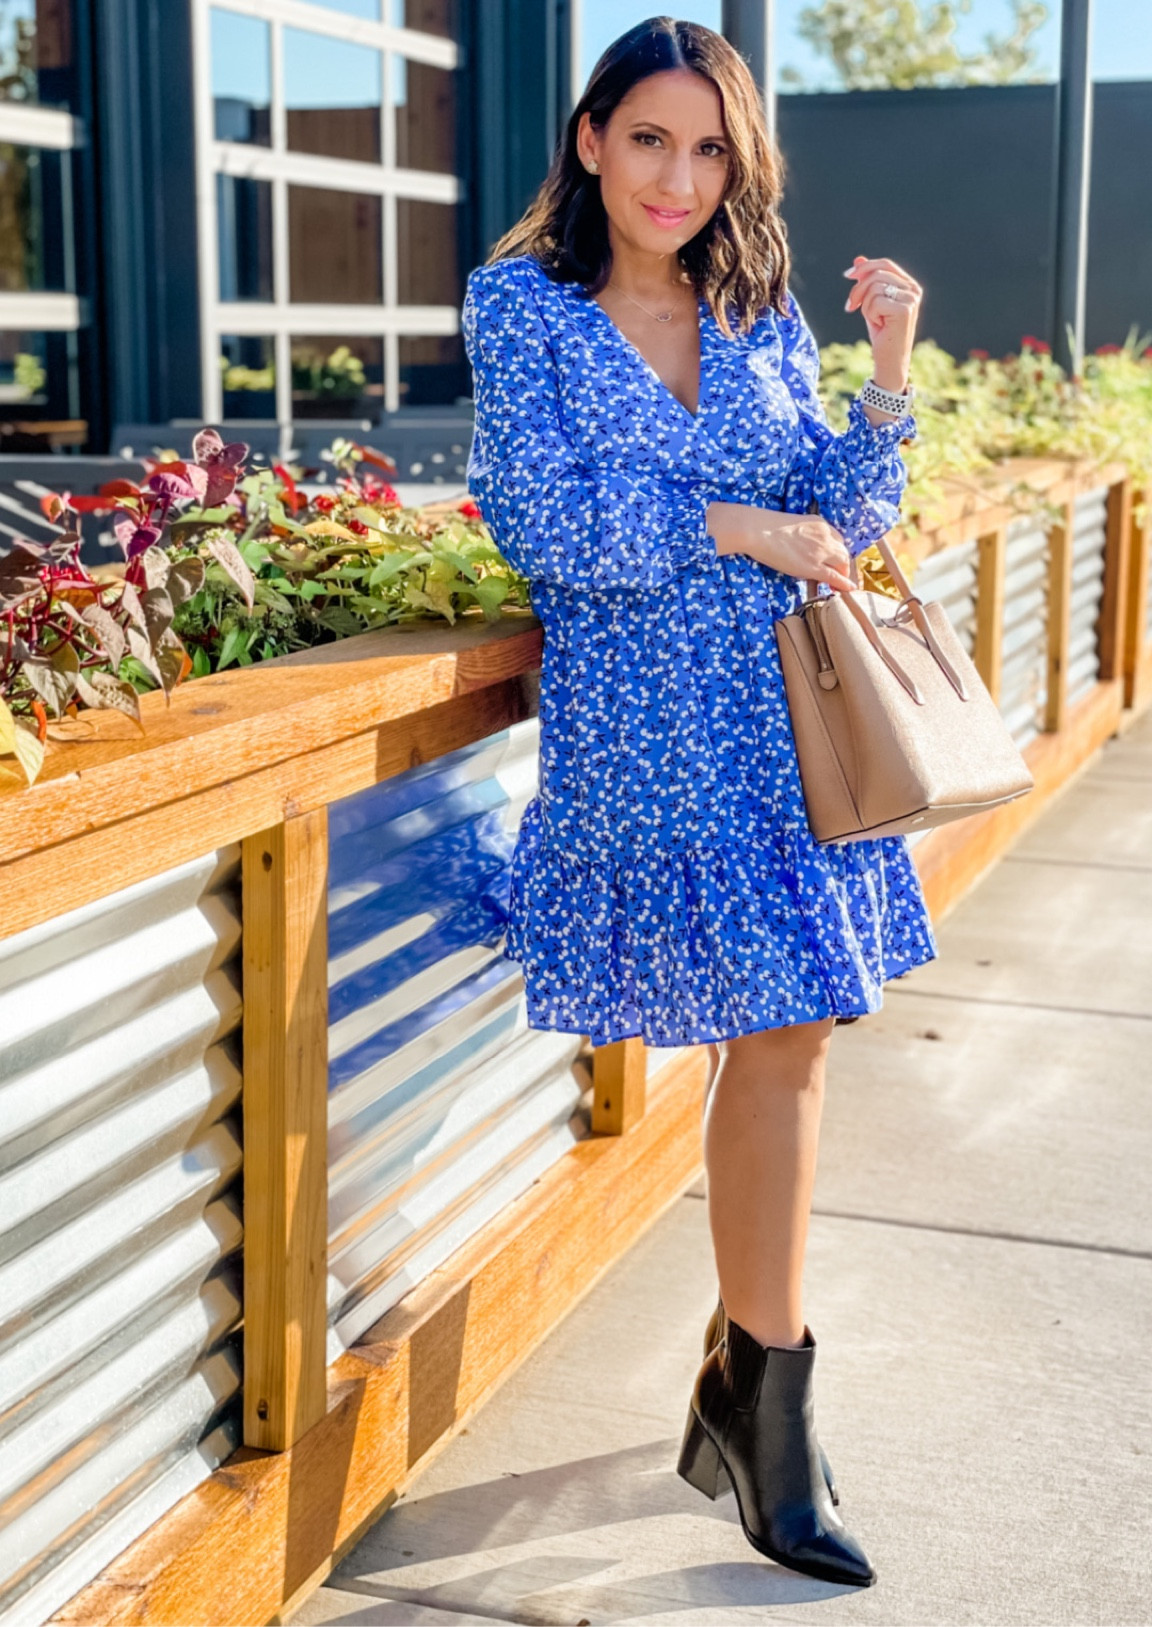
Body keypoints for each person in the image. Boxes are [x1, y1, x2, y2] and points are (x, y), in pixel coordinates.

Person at [461, 15, 939, 1590]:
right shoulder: (520, 309)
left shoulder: (760, 309)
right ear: (591, 141)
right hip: (650, 740)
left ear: (739, 166)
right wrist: (734, 524)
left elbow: (843, 517)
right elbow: (544, 517)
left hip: (778, 731)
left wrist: (882, 371)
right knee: (777, 1037)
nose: (678, 176)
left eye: (710, 148)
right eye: (650, 138)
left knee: (790, 1037)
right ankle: (754, 1408)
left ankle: (764, 1399)